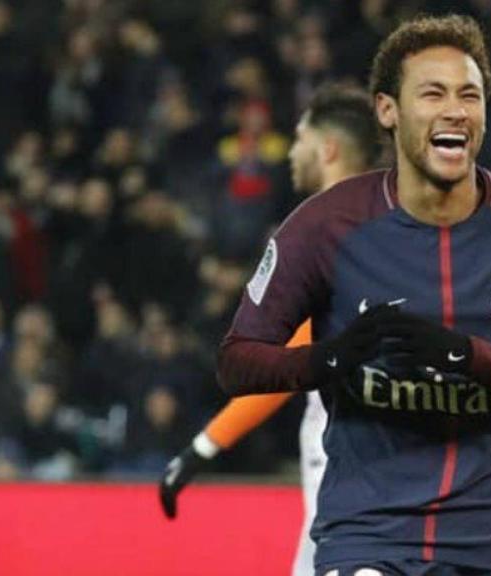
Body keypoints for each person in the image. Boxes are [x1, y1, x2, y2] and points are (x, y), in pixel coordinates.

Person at [217, 15, 491, 575]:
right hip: (369, 534)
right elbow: (237, 362)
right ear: (388, 111)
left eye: (470, 95)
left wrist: (466, 356)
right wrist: (332, 357)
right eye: (433, 93)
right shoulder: (326, 224)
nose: (455, 110)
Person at [158, 83, 382, 576]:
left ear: (327, 149)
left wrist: (205, 444)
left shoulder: (324, 232)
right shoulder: (398, 223)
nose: (291, 151)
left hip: (350, 460)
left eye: (300, 138)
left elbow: (293, 359)